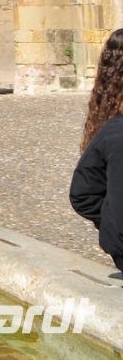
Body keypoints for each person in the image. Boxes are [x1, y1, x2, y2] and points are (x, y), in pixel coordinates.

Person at [71, 28, 123, 273]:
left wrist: (110, 224)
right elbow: (83, 194)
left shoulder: (109, 126)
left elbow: (83, 193)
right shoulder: (116, 131)